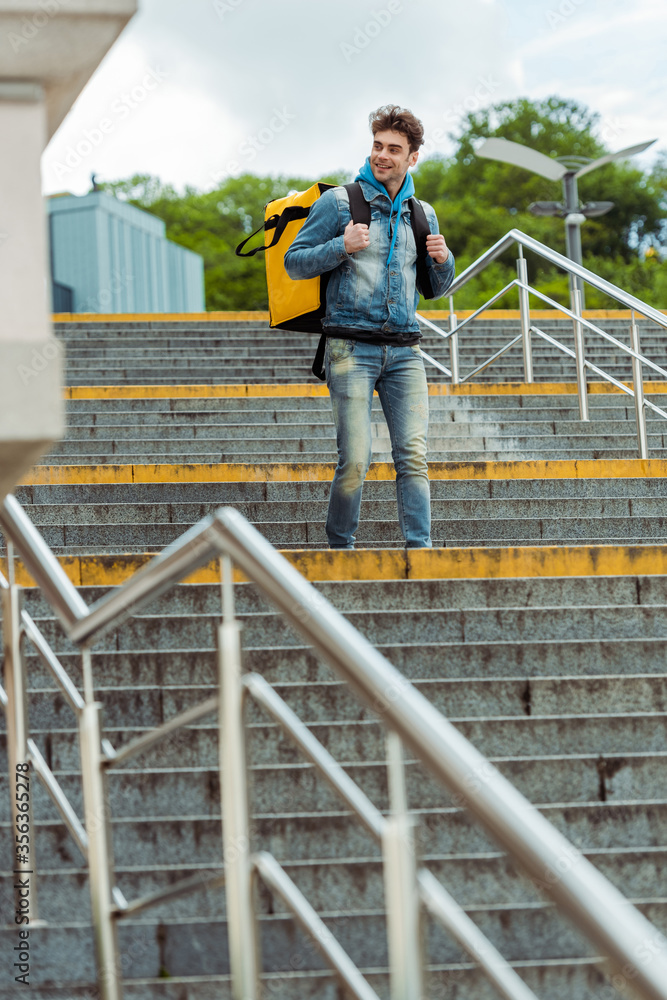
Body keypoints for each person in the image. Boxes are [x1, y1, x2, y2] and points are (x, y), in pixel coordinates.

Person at [284, 104, 455, 549]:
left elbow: (434, 289)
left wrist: (444, 261)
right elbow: (294, 262)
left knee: (414, 457)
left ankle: (421, 550)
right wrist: (340, 246)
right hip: (349, 349)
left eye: (394, 149)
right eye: (377, 145)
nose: (382, 155)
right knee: (356, 459)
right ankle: (341, 548)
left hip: (404, 352)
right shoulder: (340, 202)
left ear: (412, 157)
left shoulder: (423, 214)